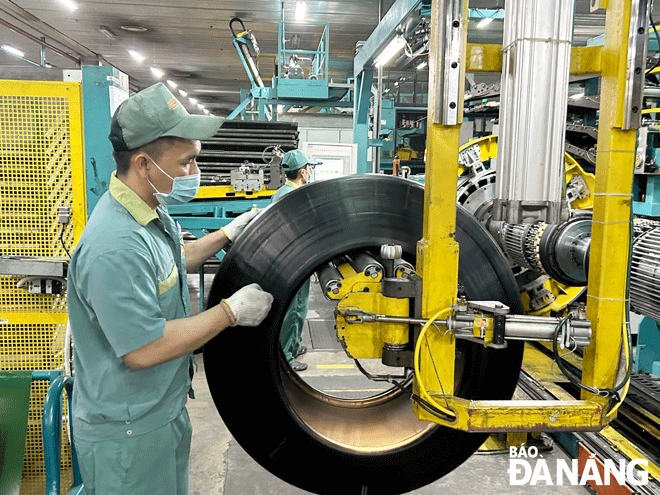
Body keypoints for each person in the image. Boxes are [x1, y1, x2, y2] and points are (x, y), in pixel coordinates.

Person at [67, 82, 274, 495]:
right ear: (144, 164)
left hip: (159, 415)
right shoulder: (115, 245)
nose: (195, 174)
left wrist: (226, 234)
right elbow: (143, 349)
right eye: (188, 163)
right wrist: (228, 313)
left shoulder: (149, 214)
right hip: (128, 435)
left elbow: (172, 263)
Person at [270, 149, 317, 372]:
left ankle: (294, 346)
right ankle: (287, 357)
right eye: (309, 168)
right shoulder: (294, 196)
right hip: (295, 262)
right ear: (302, 172)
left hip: (284, 261)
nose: (310, 171)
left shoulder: (280, 192)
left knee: (293, 308)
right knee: (295, 310)